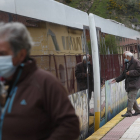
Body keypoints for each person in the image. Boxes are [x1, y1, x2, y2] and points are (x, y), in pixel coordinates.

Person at [0, 22, 80, 140]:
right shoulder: (5, 84)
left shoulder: (45, 83)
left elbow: (70, 126)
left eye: (2, 54)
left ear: (21, 54)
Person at [111, 51, 140, 117]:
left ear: (128, 56)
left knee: (130, 98)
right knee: (132, 99)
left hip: (135, 84)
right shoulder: (127, 63)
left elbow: (139, 71)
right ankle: (138, 111)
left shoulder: (136, 61)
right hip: (129, 84)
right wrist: (116, 79)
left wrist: (130, 73)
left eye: (124, 57)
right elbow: (124, 74)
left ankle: (129, 112)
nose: (124, 58)